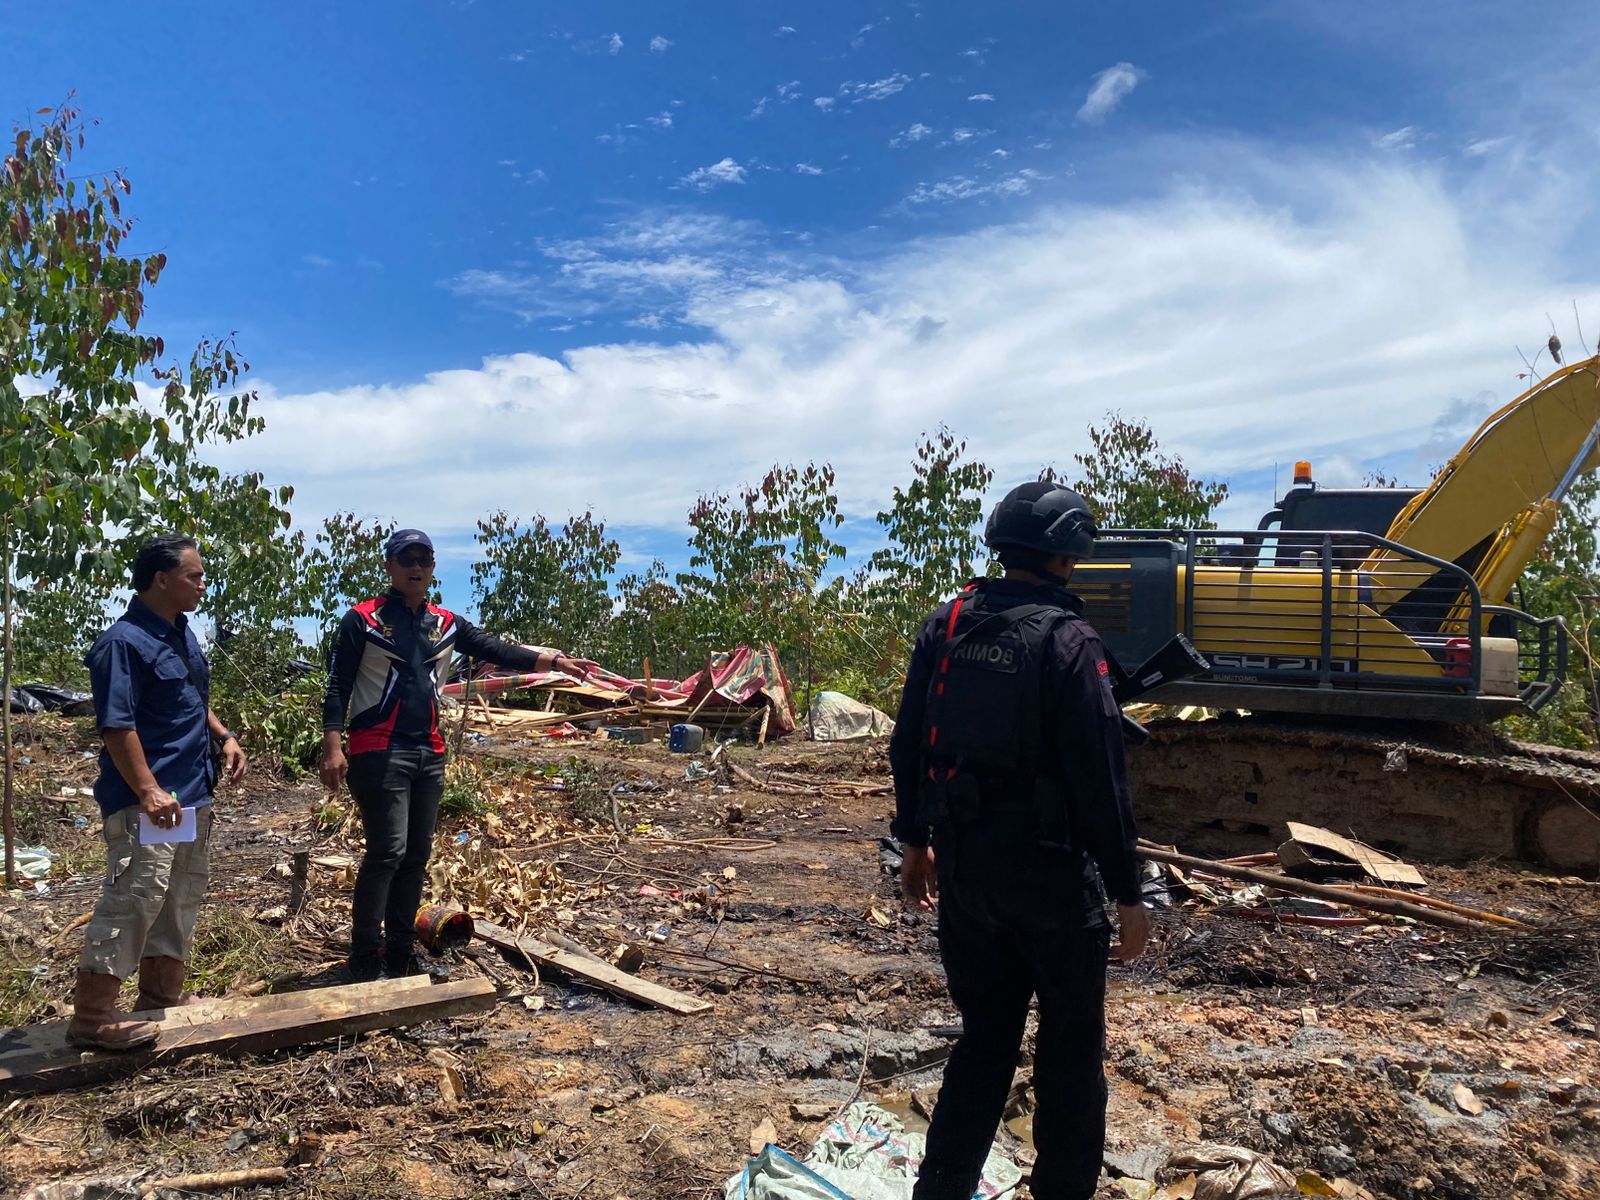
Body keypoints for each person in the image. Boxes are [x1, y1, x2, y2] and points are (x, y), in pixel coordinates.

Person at [887, 482, 1150, 1200]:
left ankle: (940, 1190)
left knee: (984, 1041)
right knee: (1069, 1056)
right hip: (1053, 885)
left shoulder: (947, 625)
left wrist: (915, 843)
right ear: (1069, 555)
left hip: (967, 875)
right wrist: (1130, 893)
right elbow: (1102, 780)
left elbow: (907, 743)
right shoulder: (1069, 641)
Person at [319, 529, 596, 981]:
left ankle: (402, 950)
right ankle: (365, 955)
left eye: (424, 561)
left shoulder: (446, 623)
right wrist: (334, 746)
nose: (416, 568)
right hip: (377, 750)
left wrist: (551, 661)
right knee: (387, 850)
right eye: (406, 559)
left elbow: (495, 648)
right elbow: (338, 686)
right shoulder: (362, 620)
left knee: (416, 855)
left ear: (432, 569)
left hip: (430, 751)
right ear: (389, 566)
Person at [71, 535, 248, 1050]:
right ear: (161, 579)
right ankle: (93, 1015)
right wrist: (148, 790)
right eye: (194, 575)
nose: (202, 583)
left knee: (178, 895)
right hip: (147, 800)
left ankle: (161, 996)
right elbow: (116, 726)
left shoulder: (181, 634)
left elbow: (191, 699)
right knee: (135, 898)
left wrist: (225, 736)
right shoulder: (122, 644)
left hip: (192, 794)